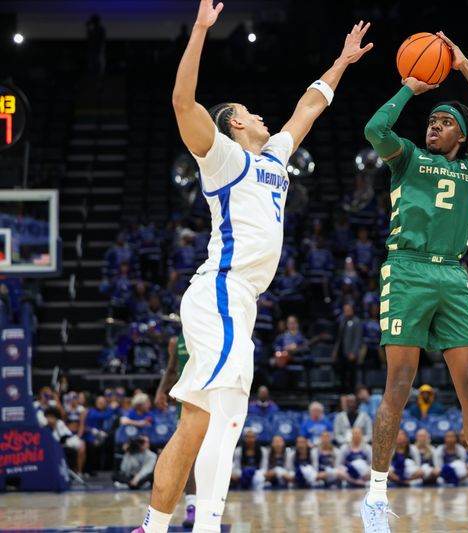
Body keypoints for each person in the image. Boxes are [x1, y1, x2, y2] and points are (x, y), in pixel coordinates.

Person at [135, 2, 372, 531]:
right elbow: (181, 101)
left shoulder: (273, 158)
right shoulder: (223, 156)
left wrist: (342, 61)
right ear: (236, 122)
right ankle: (206, 524)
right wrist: (199, 31)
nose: (265, 117)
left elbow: (308, 108)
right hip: (220, 290)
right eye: (252, 111)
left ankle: (154, 526)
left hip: (237, 302)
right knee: (225, 414)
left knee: (199, 421)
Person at [361, 30, 468, 533]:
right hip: (406, 270)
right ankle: (375, 499)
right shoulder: (405, 157)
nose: (434, 128)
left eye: (444, 123)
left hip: (453, 274)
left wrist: (464, 65)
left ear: (460, 137)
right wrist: (409, 90)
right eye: (432, 122)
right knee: (398, 385)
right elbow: (374, 128)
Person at [153, 334, 197, 528]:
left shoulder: (211, 329)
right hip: (186, 403)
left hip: (211, 399)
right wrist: (161, 391)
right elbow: (172, 370)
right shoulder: (176, 341)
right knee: (189, 457)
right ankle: (192, 506)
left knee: (208, 456)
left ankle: (210, 508)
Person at [332, 303, 364, 392]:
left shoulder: (356, 321)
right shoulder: (342, 321)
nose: (347, 312)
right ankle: (343, 391)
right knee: (342, 372)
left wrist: (354, 352)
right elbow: (339, 338)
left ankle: (352, 391)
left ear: (352, 310)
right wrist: (335, 351)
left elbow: (358, 338)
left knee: (351, 374)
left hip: (351, 352)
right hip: (342, 351)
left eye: (348, 310)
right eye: (345, 310)